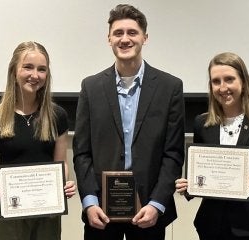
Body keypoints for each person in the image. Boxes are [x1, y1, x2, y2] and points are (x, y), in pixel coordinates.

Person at [73, 4, 185, 240]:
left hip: (149, 211)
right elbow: (82, 152)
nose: (125, 39)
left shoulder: (170, 87)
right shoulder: (90, 88)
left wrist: (157, 203)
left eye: (132, 32)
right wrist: (89, 202)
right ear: (109, 38)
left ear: (145, 37)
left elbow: (173, 154)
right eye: (118, 33)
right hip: (100, 212)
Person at [175, 52, 249, 240]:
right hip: (211, 225)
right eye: (216, 81)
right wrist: (190, 184)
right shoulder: (202, 123)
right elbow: (202, 169)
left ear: (243, 82)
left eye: (229, 79)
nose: (223, 87)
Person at [0, 41, 76, 240]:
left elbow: (61, 162)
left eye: (42, 69)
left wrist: (63, 182)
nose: (35, 75)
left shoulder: (57, 116)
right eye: (28, 67)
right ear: (14, 70)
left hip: (46, 211)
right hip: (8, 210)